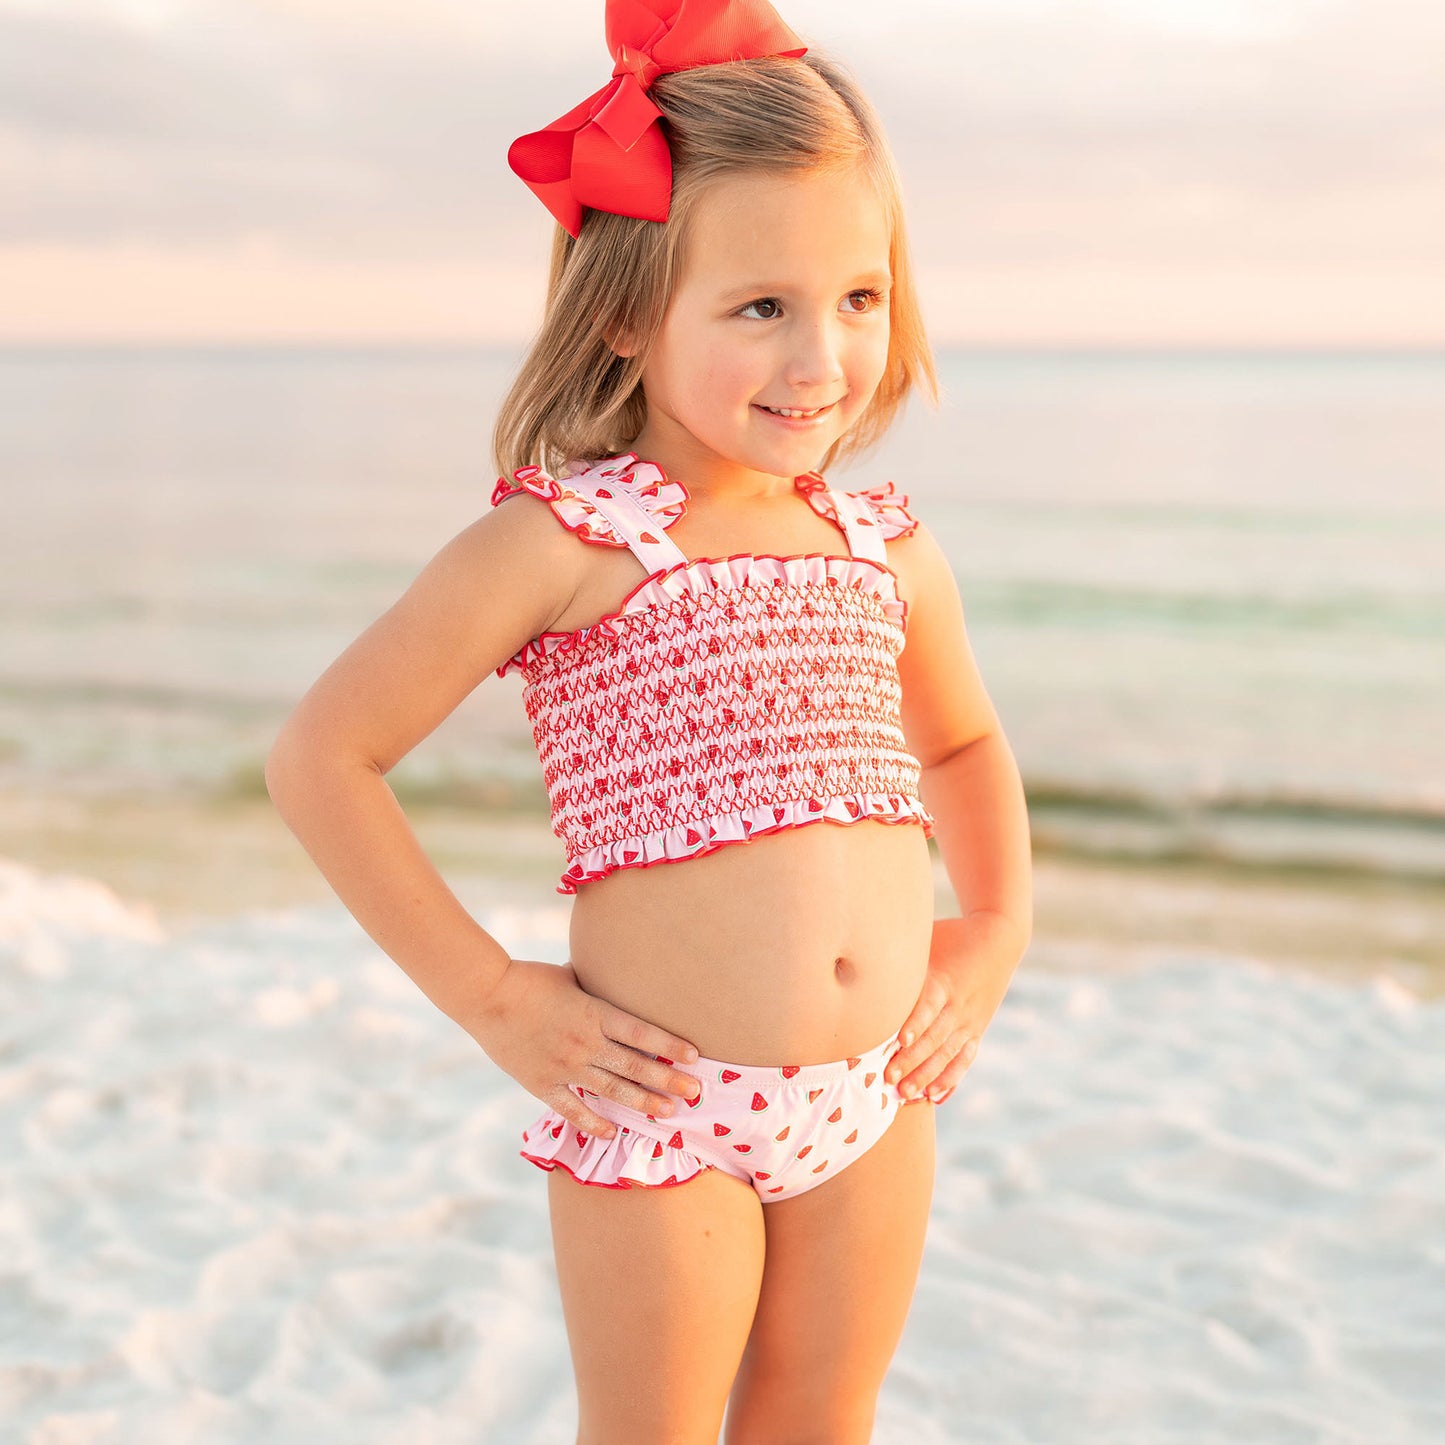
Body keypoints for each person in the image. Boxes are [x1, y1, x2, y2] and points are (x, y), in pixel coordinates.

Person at [265, 1, 1033, 1440]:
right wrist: (495, 997)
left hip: (874, 1094)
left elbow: (963, 746)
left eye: (858, 298)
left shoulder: (883, 545)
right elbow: (324, 758)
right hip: (664, 1108)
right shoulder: (570, 541)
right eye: (761, 308)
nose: (822, 360)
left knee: (822, 1417)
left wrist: (993, 928)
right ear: (626, 312)